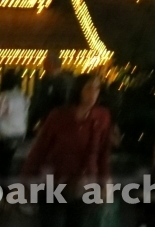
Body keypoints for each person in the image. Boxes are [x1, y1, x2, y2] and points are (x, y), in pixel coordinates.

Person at [22, 73, 112, 227]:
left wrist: (104, 182)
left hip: (84, 184)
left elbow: (103, 152)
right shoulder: (58, 117)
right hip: (55, 182)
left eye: (97, 89)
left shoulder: (101, 117)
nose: (93, 93)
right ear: (79, 90)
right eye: (89, 88)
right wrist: (26, 180)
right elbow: (40, 150)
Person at [0, 70, 29, 181]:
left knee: (2, 162)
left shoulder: (3, 97)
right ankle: (7, 184)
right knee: (9, 159)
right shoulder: (23, 97)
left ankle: (3, 185)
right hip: (19, 132)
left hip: (6, 132)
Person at [29, 53, 72, 136]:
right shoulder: (49, 80)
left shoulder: (57, 82)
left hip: (53, 121)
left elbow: (41, 103)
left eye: (45, 63)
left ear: (51, 64)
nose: (43, 65)